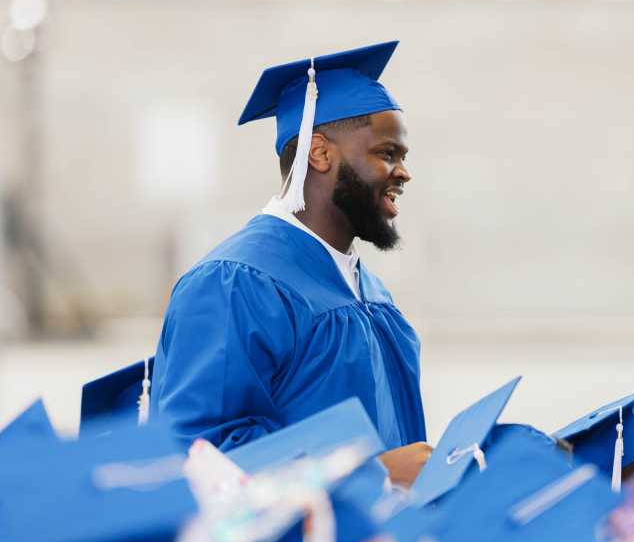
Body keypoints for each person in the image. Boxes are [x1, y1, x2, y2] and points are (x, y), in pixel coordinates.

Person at [149, 41, 431, 486]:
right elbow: (201, 457)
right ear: (320, 153)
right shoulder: (235, 283)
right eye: (387, 154)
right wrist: (374, 475)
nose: (403, 172)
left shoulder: (368, 288)